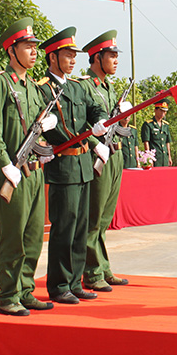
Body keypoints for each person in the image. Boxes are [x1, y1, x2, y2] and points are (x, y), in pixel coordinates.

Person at [0, 17, 57, 317]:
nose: (34, 52)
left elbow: (36, 128)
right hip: (13, 173)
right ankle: (8, 295)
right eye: (27, 47)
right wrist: (4, 163)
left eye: (35, 47)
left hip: (35, 173)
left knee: (33, 238)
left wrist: (46, 132)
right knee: (13, 239)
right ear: (12, 51)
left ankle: (25, 290)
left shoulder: (34, 88)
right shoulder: (0, 83)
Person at [37, 27, 109, 305]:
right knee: (64, 229)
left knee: (80, 228)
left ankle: (75, 282)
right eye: (67, 55)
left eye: (73, 55)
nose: (72, 60)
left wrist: (99, 120)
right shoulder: (44, 89)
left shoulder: (78, 86)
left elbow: (93, 108)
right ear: (53, 57)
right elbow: (53, 127)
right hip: (63, 166)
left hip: (83, 165)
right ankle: (58, 285)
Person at [79, 30, 131, 292]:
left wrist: (125, 117)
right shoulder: (84, 87)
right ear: (97, 58)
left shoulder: (109, 87)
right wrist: (94, 144)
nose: (116, 60)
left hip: (115, 155)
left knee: (105, 217)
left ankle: (103, 267)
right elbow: (80, 124)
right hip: (99, 155)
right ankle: (91, 272)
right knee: (94, 217)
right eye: (111, 55)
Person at [141, 101, 172, 167]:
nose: (163, 113)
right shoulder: (148, 124)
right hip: (155, 158)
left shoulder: (165, 125)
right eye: (161, 110)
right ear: (155, 110)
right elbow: (146, 142)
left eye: (164, 111)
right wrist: (148, 158)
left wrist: (169, 156)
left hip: (164, 158)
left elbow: (167, 142)